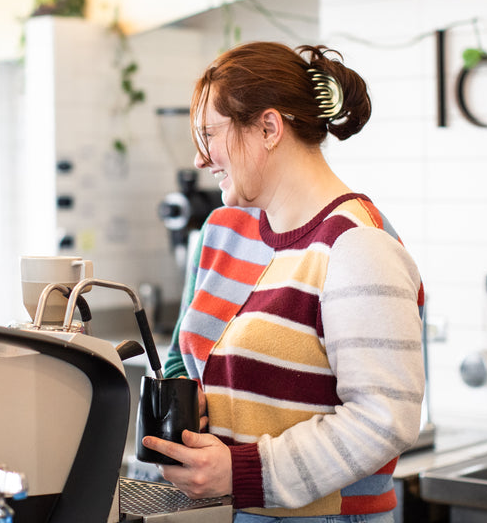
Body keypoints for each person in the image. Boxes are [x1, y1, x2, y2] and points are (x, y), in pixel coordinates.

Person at [141, 42, 425, 522]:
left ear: (269, 128)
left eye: (209, 133)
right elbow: (182, 357)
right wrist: (186, 405)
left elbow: (384, 420)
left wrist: (244, 471)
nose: (199, 158)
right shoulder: (221, 232)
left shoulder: (357, 246)